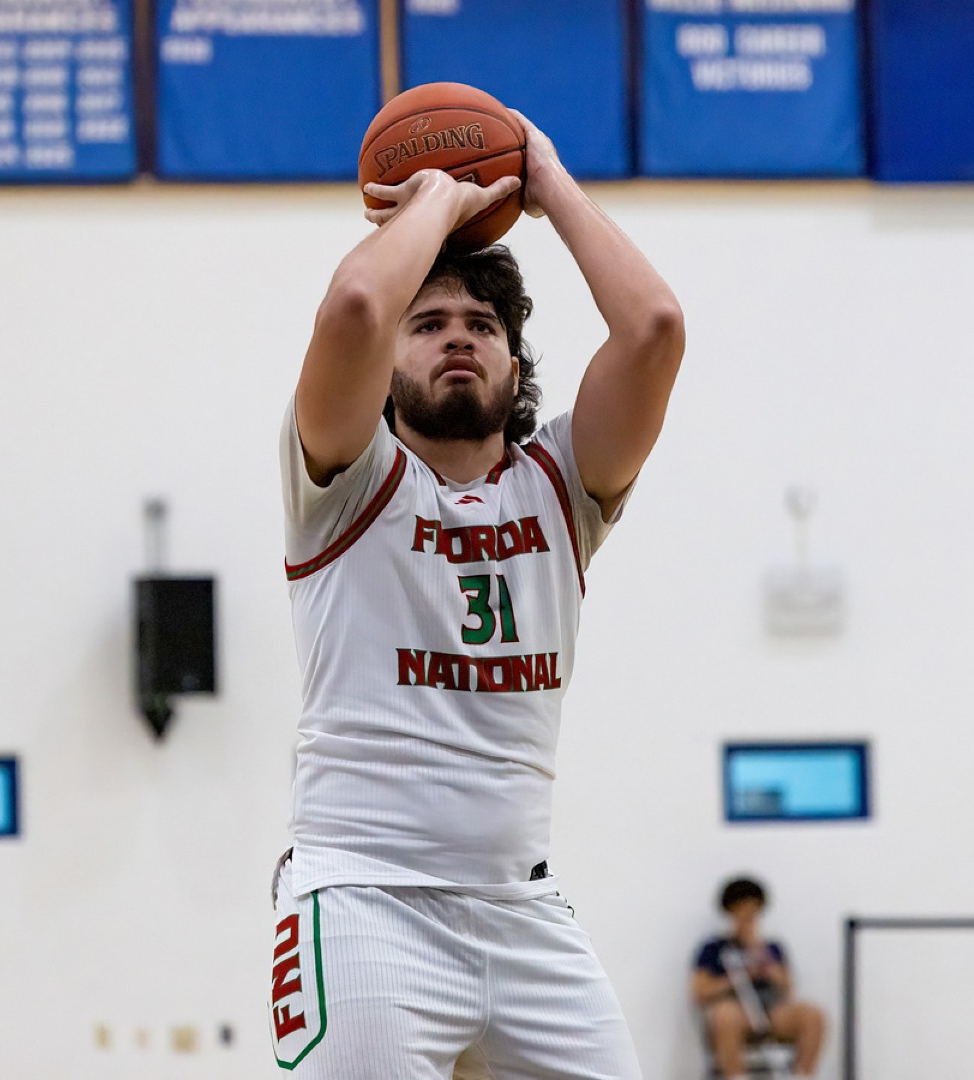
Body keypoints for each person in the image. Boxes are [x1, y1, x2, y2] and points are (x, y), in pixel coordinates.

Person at [267, 109, 685, 1080]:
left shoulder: (561, 489)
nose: (459, 339)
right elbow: (353, 315)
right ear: (389, 369)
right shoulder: (344, 481)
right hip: (366, 904)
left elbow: (655, 328)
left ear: (514, 361)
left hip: (521, 910)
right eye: (431, 324)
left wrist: (547, 180)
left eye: (482, 326)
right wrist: (434, 204)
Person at [691, 877, 826, 1079]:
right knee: (725, 1016)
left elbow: (787, 987)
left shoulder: (771, 948)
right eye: (742, 909)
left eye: (753, 910)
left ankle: (802, 1076)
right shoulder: (713, 948)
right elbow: (700, 991)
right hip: (735, 1011)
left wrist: (761, 957)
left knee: (813, 1015)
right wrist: (737, 977)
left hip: (770, 1010)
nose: (748, 916)